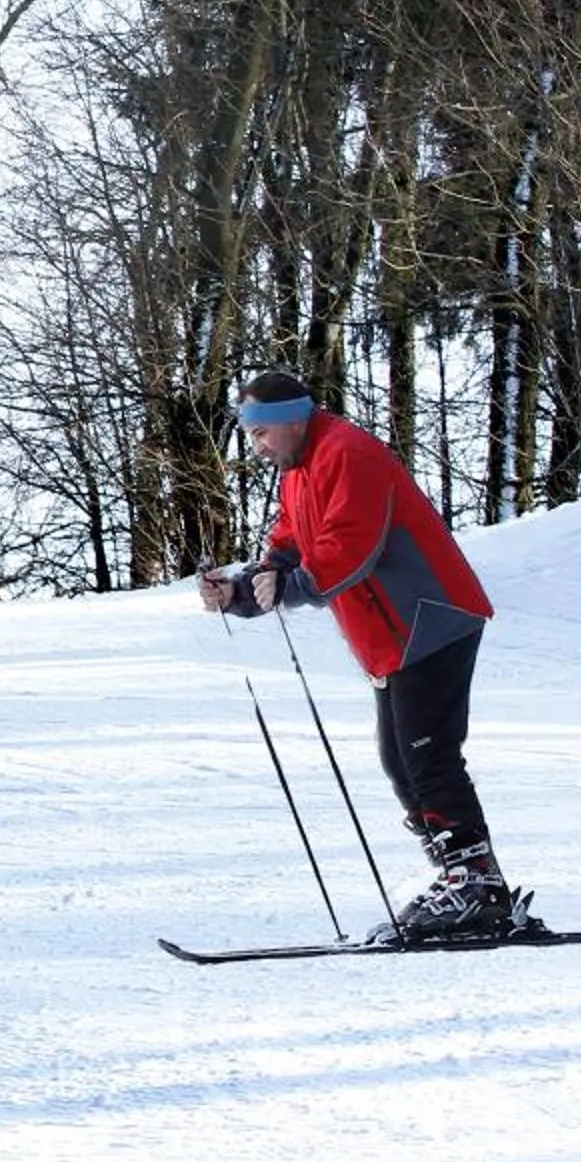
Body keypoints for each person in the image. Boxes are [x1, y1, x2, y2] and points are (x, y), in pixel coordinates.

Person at [200, 368, 506, 942]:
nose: (257, 446)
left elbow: (349, 548)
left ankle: (478, 886)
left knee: (428, 757)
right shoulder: (299, 472)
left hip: (429, 617)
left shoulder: (348, 452)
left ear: (291, 420)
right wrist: (242, 588)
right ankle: (460, 880)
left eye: (261, 433)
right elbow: (289, 548)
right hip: (387, 636)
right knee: (401, 761)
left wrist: (290, 585)